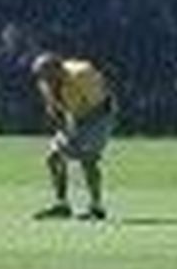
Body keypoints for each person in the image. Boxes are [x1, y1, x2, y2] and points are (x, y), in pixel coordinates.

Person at [30, 51, 115, 221]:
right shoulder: (46, 83)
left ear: (58, 68)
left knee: (88, 158)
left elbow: (100, 105)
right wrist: (65, 131)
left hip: (99, 117)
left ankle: (96, 207)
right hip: (75, 117)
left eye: (47, 75)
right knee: (54, 158)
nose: (44, 80)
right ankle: (62, 205)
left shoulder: (81, 73)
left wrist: (80, 137)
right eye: (41, 76)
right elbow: (55, 111)